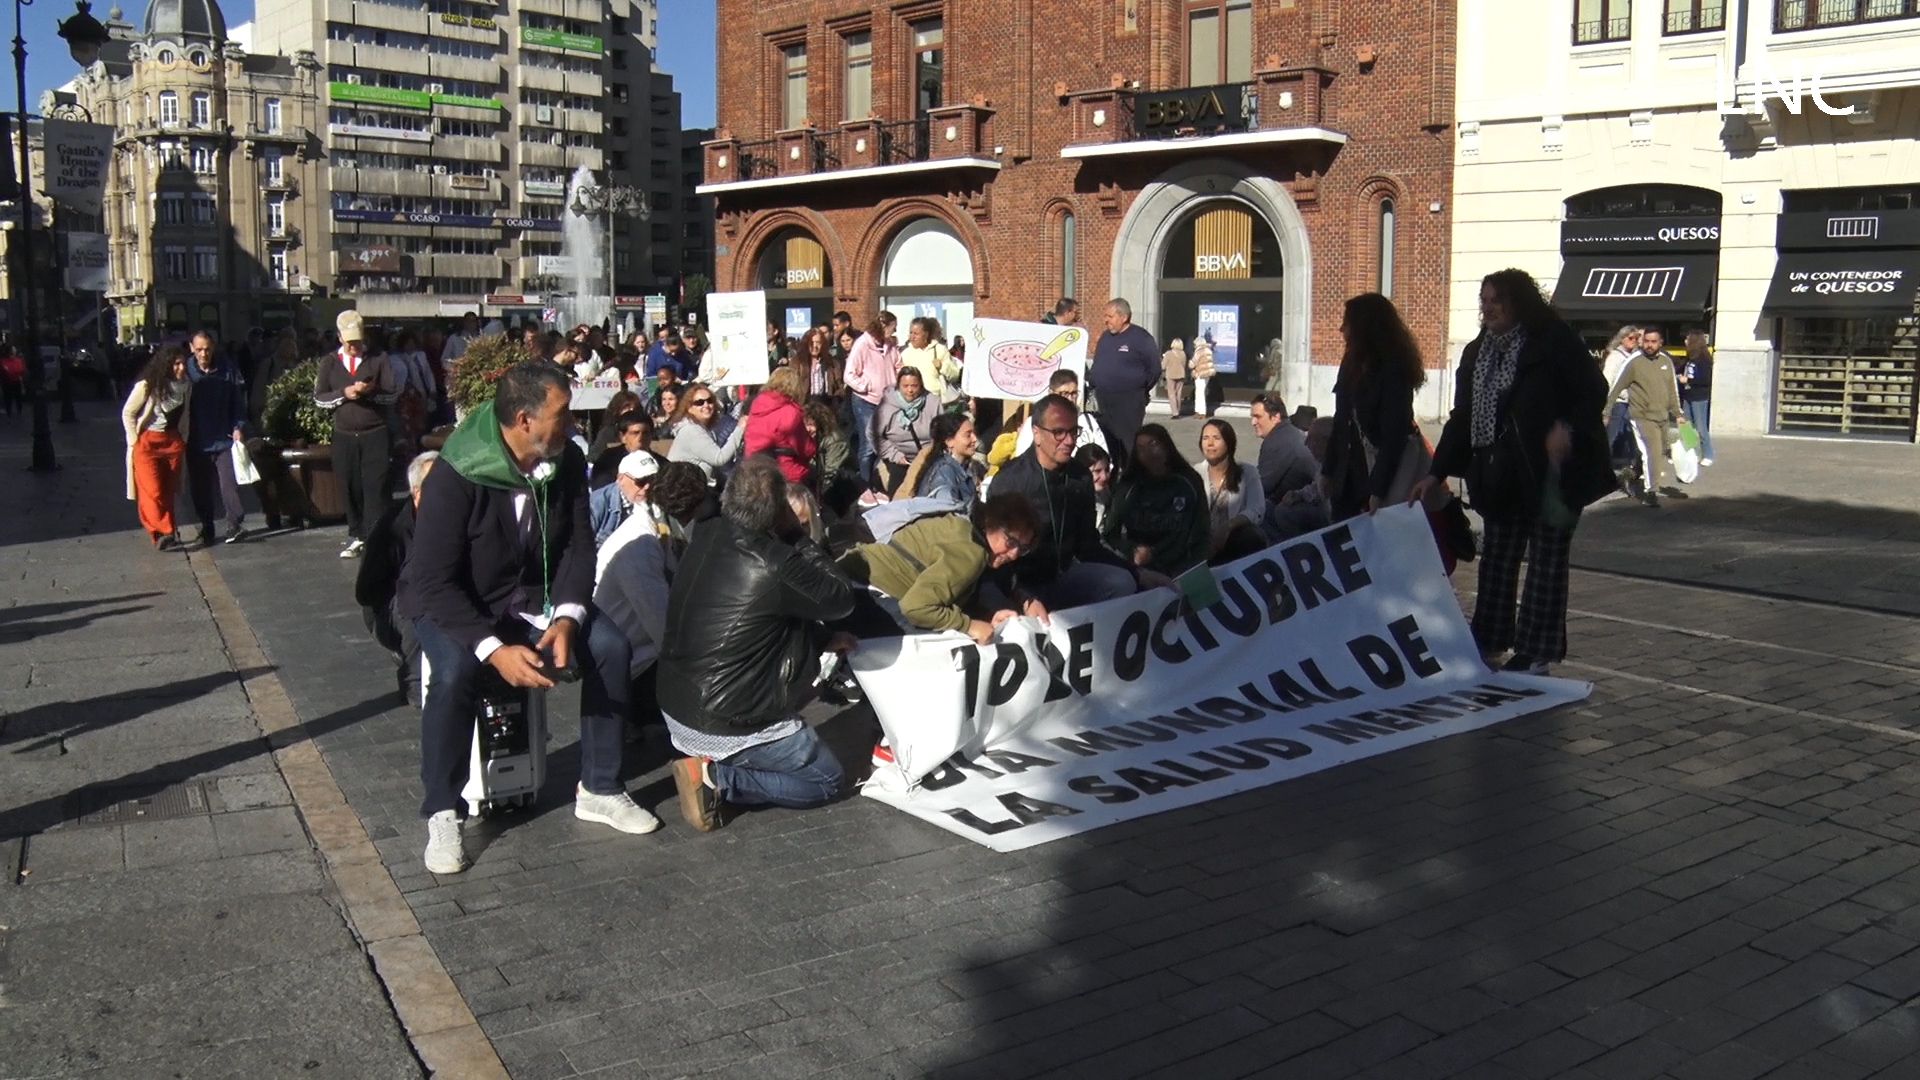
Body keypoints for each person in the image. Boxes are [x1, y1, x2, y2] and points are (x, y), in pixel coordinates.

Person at [402, 362, 659, 874]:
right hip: (457, 603)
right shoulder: (457, 473)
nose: (573, 425)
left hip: (531, 597)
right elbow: (433, 580)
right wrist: (494, 650)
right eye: (563, 415)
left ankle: (600, 787)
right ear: (525, 420)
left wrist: (566, 619)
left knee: (610, 646)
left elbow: (578, 547)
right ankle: (443, 810)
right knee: (453, 673)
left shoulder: (566, 459)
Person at [1412, 268, 1614, 676]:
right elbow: (1463, 417)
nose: (1488, 309)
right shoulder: (1477, 352)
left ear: (1518, 302)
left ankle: (1536, 650)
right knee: (1498, 559)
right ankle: (1489, 637)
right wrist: (1437, 472)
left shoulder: (1553, 341)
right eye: (1484, 301)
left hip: (1553, 473)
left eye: (1497, 301)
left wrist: (1566, 429)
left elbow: (1593, 391)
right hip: (1500, 472)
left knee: (1546, 563)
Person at [656, 457, 858, 832]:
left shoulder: (709, 529)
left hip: (677, 701)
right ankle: (718, 778)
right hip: (722, 719)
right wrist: (796, 534)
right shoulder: (776, 562)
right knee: (826, 779)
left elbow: (750, 621)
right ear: (777, 512)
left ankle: (720, 765)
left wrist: (821, 639)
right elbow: (840, 596)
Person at [989, 393, 1155, 615]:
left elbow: (1089, 545)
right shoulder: (1010, 481)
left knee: (1121, 582)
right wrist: (1024, 597)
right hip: (1020, 585)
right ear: (1037, 433)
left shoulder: (1080, 475)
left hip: (1064, 575)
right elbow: (995, 557)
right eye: (1059, 432)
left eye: (1073, 431)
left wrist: (1136, 573)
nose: (1069, 441)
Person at [594, 460, 710, 739]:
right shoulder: (639, 546)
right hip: (633, 664)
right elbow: (663, 628)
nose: (646, 487)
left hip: (642, 648)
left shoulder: (658, 531)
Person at [838, 493, 1036, 643]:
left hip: (850, 575)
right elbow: (916, 608)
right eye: (1011, 542)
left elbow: (946, 593)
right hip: (863, 592)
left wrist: (987, 617)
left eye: (1023, 548)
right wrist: (969, 626)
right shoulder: (971, 553)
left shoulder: (961, 525)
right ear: (990, 524)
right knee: (946, 647)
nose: (1014, 554)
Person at [1321, 293, 1427, 520]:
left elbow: (1394, 436)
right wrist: (1328, 470)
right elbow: (1341, 420)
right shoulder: (1351, 362)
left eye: (1347, 323)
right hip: (1348, 471)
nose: (1341, 329)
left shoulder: (1394, 370)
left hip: (1378, 471)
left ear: (1364, 327)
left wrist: (1378, 490)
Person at [314, 310, 399, 559]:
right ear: (340, 338)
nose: (354, 347)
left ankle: (375, 536)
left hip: (375, 432)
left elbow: (392, 394)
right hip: (345, 435)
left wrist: (369, 392)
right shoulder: (330, 362)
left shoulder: (379, 358)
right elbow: (319, 398)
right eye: (349, 341)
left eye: (358, 341)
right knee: (350, 485)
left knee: (376, 486)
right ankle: (357, 534)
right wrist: (345, 393)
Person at [358, 451, 438, 706]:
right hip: (394, 607)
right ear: (417, 493)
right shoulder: (393, 526)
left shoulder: (461, 516)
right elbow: (367, 590)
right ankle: (415, 683)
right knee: (415, 605)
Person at [1104, 424, 1210, 577]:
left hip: (1184, 567)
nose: (1148, 452)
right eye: (1141, 448)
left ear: (1166, 447)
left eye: (1153, 444)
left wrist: (1196, 566)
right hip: (1143, 570)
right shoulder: (1128, 486)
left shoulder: (1188, 481)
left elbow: (1203, 531)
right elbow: (1110, 532)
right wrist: (1132, 549)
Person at [183, 330, 251, 546]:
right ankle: (207, 527)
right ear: (191, 348)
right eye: (199, 349)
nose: (203, 354)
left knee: (229, 484)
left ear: (213, 347)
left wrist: (238, 427)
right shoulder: (185, 371)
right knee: (201, 489)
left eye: (207, 349)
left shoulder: (227, 369)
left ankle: (234, 524)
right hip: (196, 441)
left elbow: (237, 402)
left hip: (224, 438)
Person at [122, 347, 193, 550]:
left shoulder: (186, 385)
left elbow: (186, 413)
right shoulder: (148, 385)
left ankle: (167, 531)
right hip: (148, 443)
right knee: (152, 490)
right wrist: (134, 440)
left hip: (173, 441)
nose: (181, 368)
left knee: (168, 489)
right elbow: (128, 412)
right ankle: (163, 531)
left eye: (183, 363)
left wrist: (183, 438)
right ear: (166, 366)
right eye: (176, 364)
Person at [1610, 330, 1688, 506]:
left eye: (1653, 341)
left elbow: (1672, 390)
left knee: (1659, 452)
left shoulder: (1666, 362)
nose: (1649, 345)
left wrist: (1678, 413)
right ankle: (1651, 492)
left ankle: (1630, 475)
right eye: (1646, 341)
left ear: (1660, 343)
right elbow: (1617, 386)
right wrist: (1607, 410)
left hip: (1662, 416)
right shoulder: (1634, 362)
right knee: (1652, 451)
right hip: (1641, 415)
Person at [1088, 298, 1160, 466]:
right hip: (1104, 399)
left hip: (1129, 400)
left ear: (1124, 317)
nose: (1106, 320)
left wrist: (1140, 387)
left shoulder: (1141, 338)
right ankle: (1112, 472)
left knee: (1128, 440)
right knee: (1107, 439)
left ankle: (1130, 472)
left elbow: (1155, 368)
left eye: (1110, 316)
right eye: (1105, 316)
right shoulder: (1105, 337)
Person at [1196, 419, 1267, 563]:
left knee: (1252, 536)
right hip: (1202, 542)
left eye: (1216, 438)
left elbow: (1257, 509)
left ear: (1229, 443)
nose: (1210, 443)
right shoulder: (1194, 473)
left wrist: (1229, 526)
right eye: (1205, 438)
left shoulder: (1248, 472)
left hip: (1233, 538)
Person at [843, 314, 900, 484]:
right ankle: (865, 484)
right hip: (865, 401)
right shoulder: (862, 344)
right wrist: (865, 386)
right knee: (868, 444)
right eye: (893, 327)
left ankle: (880, 482)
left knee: (887, 442)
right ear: (883, 326)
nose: (895, 331)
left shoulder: (890, 345)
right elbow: (849, 374)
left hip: (887, 401)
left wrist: (898, 383)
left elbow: (899, 365)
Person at [744, 365, 817, 486]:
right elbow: (806, 450)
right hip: (783, 473)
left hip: (754, 469)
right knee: (812, 475)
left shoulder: (757, 404)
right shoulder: (790, 412)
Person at [1012, 369, 1108, 457]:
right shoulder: (1035, 422)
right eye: (1064, 393)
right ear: (1051, 393)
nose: (1070, 399)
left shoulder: (1088, 421)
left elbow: (1105, 458)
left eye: (1074, 393)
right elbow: (1022, 459)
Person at [873, 368, 937, 494]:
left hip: (928, 458)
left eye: (914, 386)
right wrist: (894, 455)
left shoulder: (933, 402)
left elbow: (942, 431)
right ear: (898, 387)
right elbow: (874, 435)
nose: (910, 390)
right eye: (905, 386)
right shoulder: (886, 407)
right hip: (900, 459)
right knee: (899, 495)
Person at [666, 381, 745, 482]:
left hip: (695, 485)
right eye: (699, 403)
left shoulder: (705, 428)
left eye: (710, 401)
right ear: (689, 408)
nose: (706, 405)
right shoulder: (691, 430)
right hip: (681, 487)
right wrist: (740, 428)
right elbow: (719, 459)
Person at [1250, 392, 1318, 507]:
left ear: (1276, 417)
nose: (1253, 422)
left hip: (1303, 506)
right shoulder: (1287, 433)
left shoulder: (1278, 441)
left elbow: (1261, 487)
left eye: (1258, 417)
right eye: (1252, 417)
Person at [590, 448, 660, 545]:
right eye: (641, 481)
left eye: (653, 480)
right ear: (620, 479)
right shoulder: (597, 503)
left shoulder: (659, 500)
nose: (647, 486)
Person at [913, 412, 980, 505]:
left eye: (974, 433)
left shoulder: (964, 467)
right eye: (968, 435)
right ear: (949, 441)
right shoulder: (944, 473)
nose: (975, 439)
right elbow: (947, 508)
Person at [1601, 325, 1642, 467]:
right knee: (1612, 434)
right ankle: (1603, 464)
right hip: (1618, 402)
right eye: (1631, 338)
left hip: (1632, 402)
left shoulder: (1634, 356)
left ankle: (1631, 464)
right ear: (1622, 339)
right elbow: (1607, 379)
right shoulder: (1615, 356)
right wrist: (1607, 403)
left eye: (1636, 338)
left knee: (1631, 435)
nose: (1634, 341)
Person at [900, 317, 961, 410]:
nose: (912, 337)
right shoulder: (905, 354)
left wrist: (942, 367)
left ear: (926, 334)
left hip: (936, 401)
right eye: (911, 333)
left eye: (916, 334)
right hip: (912, 403)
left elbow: (955, 375)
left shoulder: (940, 350)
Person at [1679, 329, 1714, 466]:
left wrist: (1687, 380)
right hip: (1688, 395)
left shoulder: (1703, 360)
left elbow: (1705, 380)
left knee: (1700, 427)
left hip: (1699, 397)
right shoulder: (1690, 358)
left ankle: (1708, 454)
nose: (1685, 341)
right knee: (1686, 426)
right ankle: (1691, 452)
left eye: (1688, 339)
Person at [1075, 443, 1113, 529]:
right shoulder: (1071, 502)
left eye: (1107, 470)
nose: (1104, 477)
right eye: (1097, 471)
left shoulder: (1108, 496)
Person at [1189, 337, 1217, 419]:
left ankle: (1200, 412)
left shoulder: (1199, 351)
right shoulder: (1209, 350)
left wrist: (1189, 363)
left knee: (1199, 393)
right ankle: (1200, 412)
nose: (1194, 345)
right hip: (1207, 374)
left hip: (1200, 374)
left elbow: (1192, 363)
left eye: (1195, 344)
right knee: (1201, 392)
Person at [1162, 338, 1188, 419]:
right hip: (1181, 374)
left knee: (1171, 394)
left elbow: (1163, 366)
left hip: (1171, 375)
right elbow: (1184, 365)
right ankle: (1178, 410)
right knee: (1178, 394)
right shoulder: (1183, 354)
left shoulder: (1168, 353)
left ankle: (1175, 413)